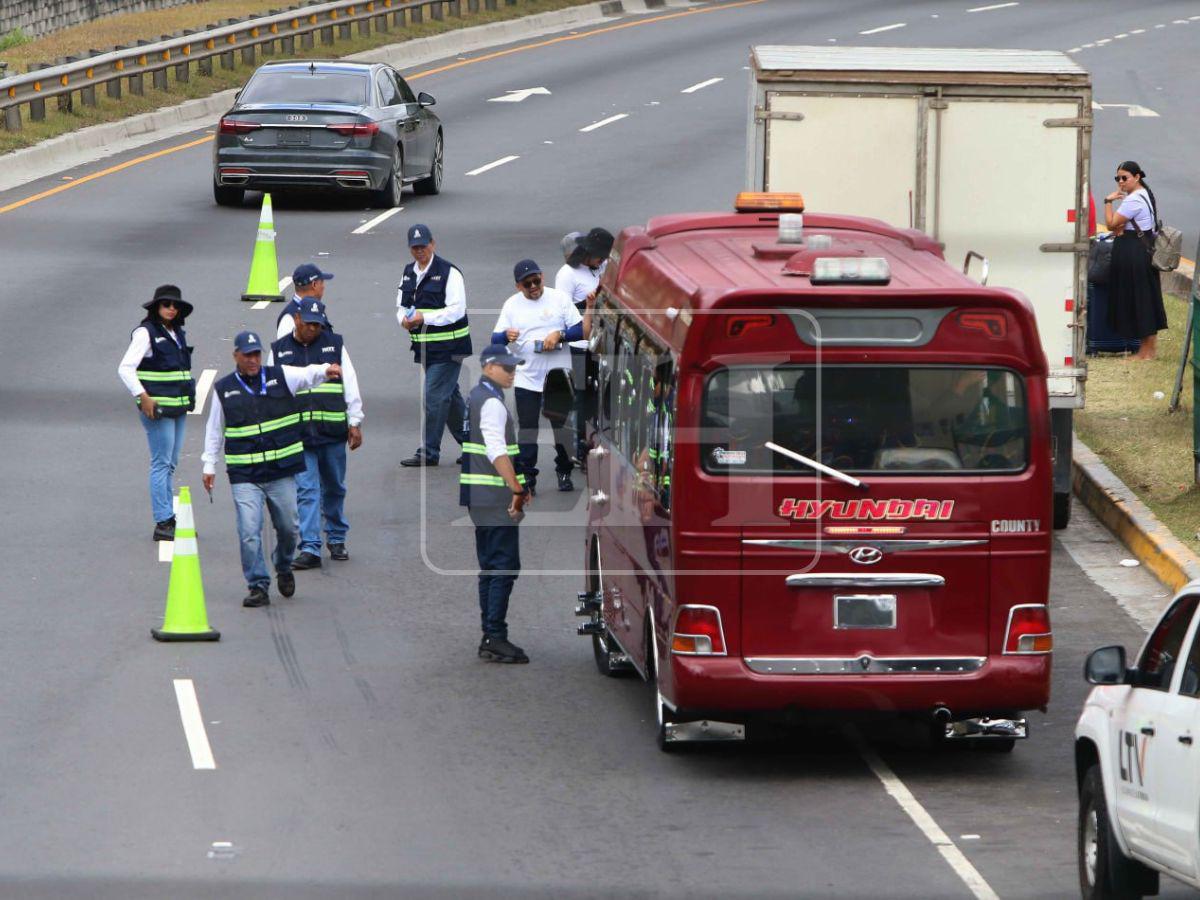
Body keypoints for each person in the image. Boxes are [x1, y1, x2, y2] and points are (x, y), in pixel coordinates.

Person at [201, 331, 342, 608]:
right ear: (236, 356)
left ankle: (283, 564)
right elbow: (214, 430)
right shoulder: (224, 390)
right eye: (247, 355)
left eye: (256, 354)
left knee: (289, 528)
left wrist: (326, 369)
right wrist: (209, 465)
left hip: (281, 472)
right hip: (246, 476)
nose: (253, 360)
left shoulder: (280, 376)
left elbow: (306, 374)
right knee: (249, 532)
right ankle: (258, 585)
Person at [269, 299, 364, 569]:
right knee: (306, 489)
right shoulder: (280, 350)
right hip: (298, 434)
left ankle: (336, 537)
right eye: (308, 323)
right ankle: (310, 546)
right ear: (297, 319)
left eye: (317, 324)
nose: (313, 328)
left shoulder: (335, 345)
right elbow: (271, 388)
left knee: (334, 487)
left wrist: (354, 421)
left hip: (332, 431)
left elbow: (351, 382)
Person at [492, 259, 595, 494]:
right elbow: (495, 339)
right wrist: (506, 335)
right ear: (519, 286)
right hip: (527, 378)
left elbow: (582, 330)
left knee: (561, 428)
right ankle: (528, 477)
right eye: (527, 284)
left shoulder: (559, 299)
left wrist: (559, 335)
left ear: (542, 278)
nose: (534, 286)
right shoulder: (511, 306)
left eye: (536, 280)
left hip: (557, 378)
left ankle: (564, 470)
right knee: (528, 429)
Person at [460, 345, 533, 663]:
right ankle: (495, 636)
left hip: (479, 497)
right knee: (503, 566)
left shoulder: (478, 396)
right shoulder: (491, 403)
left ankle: (490, 634)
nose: (512, 371)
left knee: (491, 566)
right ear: (488, 367)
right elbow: (495, 450)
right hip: (493, 498)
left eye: (514, 366)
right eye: (506, 367)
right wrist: (516, 488)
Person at [118, 285, 196, 541]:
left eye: (175, 306)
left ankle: (167, 517)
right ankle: (163, 521)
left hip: (178, 407)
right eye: (166, 305)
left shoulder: (176, 333)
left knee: (170, 463)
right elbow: (125, 368)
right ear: (156, 307)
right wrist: (143, 397)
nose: (171, 309)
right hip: (157, 409)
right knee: (161, 463)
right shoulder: (145, 333)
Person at [397, 224, 471, 467]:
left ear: (433, 244)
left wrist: (423, 318)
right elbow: (401, 305)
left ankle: (428, 452)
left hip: (450, 347)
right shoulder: (408, 273)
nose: (420, 251)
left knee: (433, 397)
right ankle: (474, 447)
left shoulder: (449, 273)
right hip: (426, 349)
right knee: (448, 397)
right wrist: (404, 320)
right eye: (415, 247)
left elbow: (456, 311)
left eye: (424, 245)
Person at [554, 227, 614, 462]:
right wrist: (590, 303)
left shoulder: (601, 266)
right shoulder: (568, 274)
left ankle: (603, 437)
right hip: (581, 343)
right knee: (584, 395)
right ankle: (580, 443)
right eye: (600, 256)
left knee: (606, 393)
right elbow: (562, 310)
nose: (602, 261)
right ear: (588, 252)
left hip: (604, 340)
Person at [1104, 160, 1168, 360]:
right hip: (1143, 249)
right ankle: (1148, 350)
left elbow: (1111, 225)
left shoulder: (1133, 200)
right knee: (1145, 298)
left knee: (1140, 299)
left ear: (1137, 177)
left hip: (1134, 251)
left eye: (1125, 178)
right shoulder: (1144, 194)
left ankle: (1145, 353)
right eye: (1118, 178)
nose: (1121, 182)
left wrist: (1108, 202)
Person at [277, 263, 334, 340]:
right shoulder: (288, 318)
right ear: (314, 284)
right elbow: (284, 349)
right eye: (322, 282)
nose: (323, 286)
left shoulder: (316, 308)